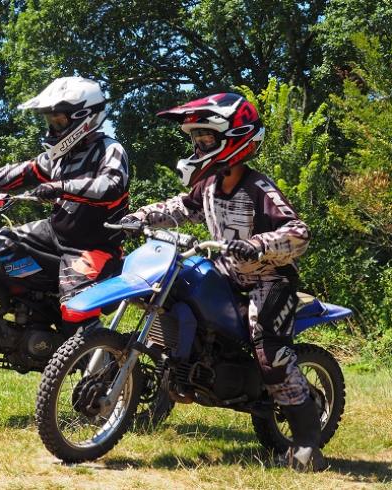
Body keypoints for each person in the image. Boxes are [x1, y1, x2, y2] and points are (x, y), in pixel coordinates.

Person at [120, 93, 325, 471]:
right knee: (180, 294)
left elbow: (299, 232)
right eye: (195, 140)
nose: (198, 147)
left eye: (206, 140)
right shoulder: (209, 185)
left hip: (268, 280)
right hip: (228, 275)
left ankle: (307, 443)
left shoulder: (258, 189)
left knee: (269, 351)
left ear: (235, 139)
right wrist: (139, 216)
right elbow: (182, 207)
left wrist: (257, 245)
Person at [0, 76, 130, 333]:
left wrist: (60, 187)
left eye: (59, 121)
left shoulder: (110, 149)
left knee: (76, 310)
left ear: (85, 117)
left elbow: (111, 186)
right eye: (50, 121)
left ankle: (101, 363)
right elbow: (24, 171)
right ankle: (29, 313)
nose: (53, 127)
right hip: (53, 232)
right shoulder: (60, 155)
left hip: (94, 247)